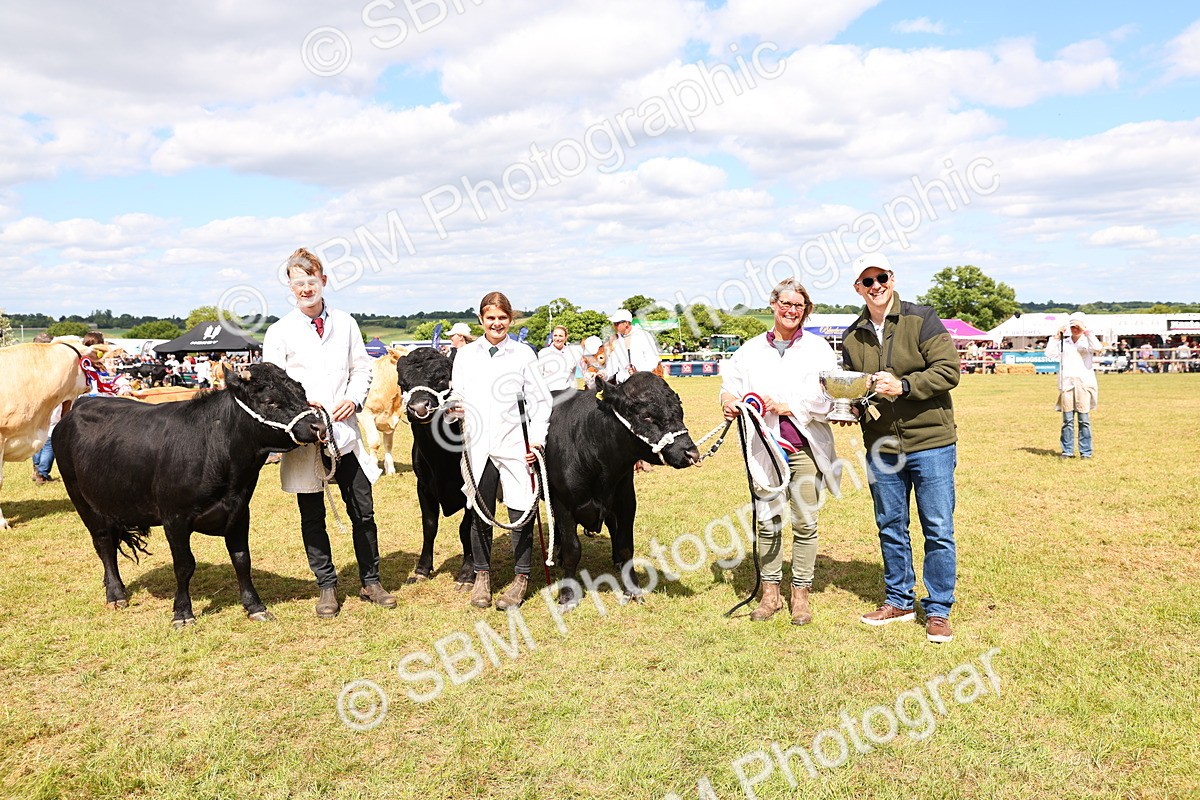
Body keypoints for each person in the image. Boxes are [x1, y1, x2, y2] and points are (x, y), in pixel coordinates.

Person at [263, 247, 396, 618]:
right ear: (290, 286)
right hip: (305, 437)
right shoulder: (279, 331)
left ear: (323, 280)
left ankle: (371, 581)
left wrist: (352, 399)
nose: (306, 288)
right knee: (312, 515)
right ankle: (326, 586)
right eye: (298, 283)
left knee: (363, 511)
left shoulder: (346, 323)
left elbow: (361, 369)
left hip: (344, 432)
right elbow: (273, 386)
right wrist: (302, 408)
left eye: (311, 280)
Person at [839, 252, 961, 644]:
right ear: (858, 288)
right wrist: (852, 408)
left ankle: (938, 608)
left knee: (938, 528)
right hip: (882, 446)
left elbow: (948, 371)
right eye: (867, 281)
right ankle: (899, 600)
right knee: (890, 525)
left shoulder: (921, 318)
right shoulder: (851, 336)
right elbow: (858, 388)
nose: (876, 286)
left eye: (882, 278)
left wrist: (904, 386)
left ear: (892, 279)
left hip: (931, 442)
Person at [719, 279, 839, 626]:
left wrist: (789, 407)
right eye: (785, 303)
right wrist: (728, 402)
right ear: (773, 305)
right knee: (768, 522)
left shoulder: (819, 349)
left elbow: (830, 397)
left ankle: (800, 595)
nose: (791, 310)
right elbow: (729, 387)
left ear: (806, 310)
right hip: (765, 449)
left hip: (805, 449)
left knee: (805, 522)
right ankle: (770, 594)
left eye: (799, 305)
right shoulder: (749, 351)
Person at [449, 291, 552, 610]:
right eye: (490, 318)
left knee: (521, 511)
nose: (496, 323)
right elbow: (456, 393)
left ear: (511, 319)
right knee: (480, 511)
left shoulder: (523, 354)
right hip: (477, 445)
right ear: (480, 319)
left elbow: (541, 401)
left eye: (502, 318)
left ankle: (521, 578)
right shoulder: (466, 355)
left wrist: (536, 440)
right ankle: (482, 576)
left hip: (515, 445)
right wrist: (453, 407)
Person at [1045, 312, 1102, 459]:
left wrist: (1086, 331)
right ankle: (1067, 451)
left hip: (1084, 384)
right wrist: (1056, 337)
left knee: (1084, 420)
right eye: (1072, 326)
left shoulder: (1088, 341)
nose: (1075, 329)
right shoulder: (1064, 343)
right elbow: (1049, 354)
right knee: (1067, 420)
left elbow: (1098, 348)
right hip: (1067, 384)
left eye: (1077, 326)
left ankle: (1086, 452)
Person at [604, 309, 660, 382]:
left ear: (626, 323)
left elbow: (652, 359)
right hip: (622, 384)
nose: (614, 326)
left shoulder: (644, 336)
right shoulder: (615, 339)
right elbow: (613, 363)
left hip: (642, 383)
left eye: (616, 323)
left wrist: (639, 372)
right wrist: (605, 374)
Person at [537, 325, 583, 392]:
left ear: (566, 337)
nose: (557, 338)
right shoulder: (543, 353)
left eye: (560, 336)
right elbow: (538, 376)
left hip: (567, 393)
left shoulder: (572, 353)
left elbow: (577, 373)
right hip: (549, 393)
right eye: (555, 335)